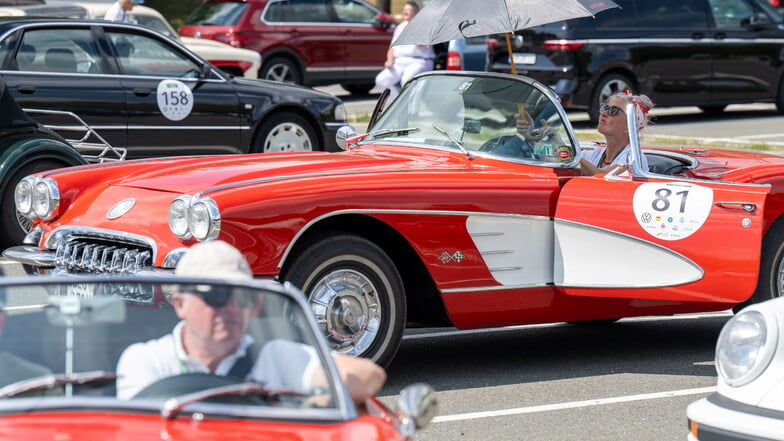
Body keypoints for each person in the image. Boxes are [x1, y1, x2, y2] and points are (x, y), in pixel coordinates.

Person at [116, 240, 386, 405]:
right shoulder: (148, 361)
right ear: (180, 304)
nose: (232, 308)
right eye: (217, 295)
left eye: (243, 297)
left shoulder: (277, 357)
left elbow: (369, 377)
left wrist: (315, 401)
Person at [580, 91, 653, 176]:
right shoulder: (595, 153)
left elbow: (605, 179)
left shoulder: (634, 159)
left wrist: (574, 158)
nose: (603, 113)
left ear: (629, 126)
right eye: (605, 108)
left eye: (613, 111)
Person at [375, 1, 434, 100]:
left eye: (408, 10)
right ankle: (396, 105)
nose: (405, 12)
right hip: (400, 61)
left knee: (407, 80)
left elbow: (419, 44)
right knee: (381, 80)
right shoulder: (400, 27)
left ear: (415, 13)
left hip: (418, 61)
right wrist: (389, 60)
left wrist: (412, 27)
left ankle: (410, 110)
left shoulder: (423, 26)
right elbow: (392, 47)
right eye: (404, 10)